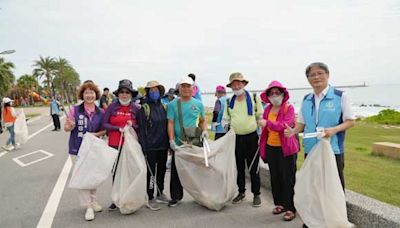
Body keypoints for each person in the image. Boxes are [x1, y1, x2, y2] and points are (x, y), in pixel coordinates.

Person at [285, 62, 355, 191]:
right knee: (313, 184)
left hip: (332, 148)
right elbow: (301, 123)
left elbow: (351, 121)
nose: (316, 77)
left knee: (334, 185)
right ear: (308, 79)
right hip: (311, 148)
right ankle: (316, 211)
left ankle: (336, 212)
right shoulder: (306, 99)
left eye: (320, 73)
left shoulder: (340, 96)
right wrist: (293, 131)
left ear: (327, 75)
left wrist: (334, 129)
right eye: (312, 75)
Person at [64, 81, 106, 221]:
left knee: (93, 176)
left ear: (96, 94)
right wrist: (70, 126)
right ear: (83, 94)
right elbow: (66, 128)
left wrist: (93, 135)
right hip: (78, 148)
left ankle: (93, 201)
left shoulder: (101, 112)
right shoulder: (75, 110)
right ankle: (88, 206)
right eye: (86, 92)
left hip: (94, 148)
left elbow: (104, 130)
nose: (89, 95)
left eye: (92, 92)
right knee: (83, 177)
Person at [258, 81, 299, 221]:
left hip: (286, 149)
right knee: (275, 177)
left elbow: (284, 125)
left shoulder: (289, 108)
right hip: (271, 148)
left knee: (288, 178)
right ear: (268, 96)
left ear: (283, 94)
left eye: (277, 93)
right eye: (271, 93)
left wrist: (267, 123)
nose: (275, 95)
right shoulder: (267, 109)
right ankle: (280, 204)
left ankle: (291, 208)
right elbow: (265, 130)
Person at [222, 72, 263, 207]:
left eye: (239, 83)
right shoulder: (229, 101)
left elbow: (260, 116)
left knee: (254, 168)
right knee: (239, 167)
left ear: (244, 84)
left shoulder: (254, 98)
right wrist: (225, 126)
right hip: (236, 138)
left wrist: (262, 132)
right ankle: (241, 192)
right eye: (234, 84)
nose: (236, 85)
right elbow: (225, 119)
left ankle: (256, 194)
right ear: (231, 86)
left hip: (252, 137)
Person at [167, 77, 208, 207]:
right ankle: (176, 197)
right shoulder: (173, 104)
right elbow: (171, 122)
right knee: (176, 170)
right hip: (179, 142)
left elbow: (202, 120)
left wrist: (205, 131)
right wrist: (171, 140)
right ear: (179, 88)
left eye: (188, 86)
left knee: (197, 170)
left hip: (194, 141)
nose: (186, 89)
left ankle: (200, 195)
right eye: (183, 86)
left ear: (193, 88)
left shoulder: (199, 104)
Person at [102, 79, 140, 211]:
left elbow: (140, 126)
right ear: (118, 94)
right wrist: (116, 128)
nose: (124, 94)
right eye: (122, 92)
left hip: (130, 145)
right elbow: (104, 124)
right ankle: (116, 199)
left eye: (127, 92)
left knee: (130, 171)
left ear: (131, 94)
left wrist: (132, 125)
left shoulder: (136, 108)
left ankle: (128, 197)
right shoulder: (112, 106)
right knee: (116, 172)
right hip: (114, 144)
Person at [138, 81, 170, 211]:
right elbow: (141, 130)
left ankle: (160, 193)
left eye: (156, 90)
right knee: (151, 173)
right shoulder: (144, 108)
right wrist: (144, 148)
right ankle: (150, 197)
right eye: (151, 91)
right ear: (147, 93)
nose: (154, 93)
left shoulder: (163, 106)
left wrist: (169, 145)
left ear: (160, 92)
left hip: (163, 145)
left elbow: (167, 126)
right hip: (150, 147)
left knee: (161, 171)